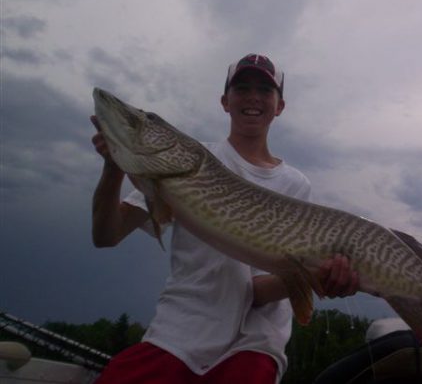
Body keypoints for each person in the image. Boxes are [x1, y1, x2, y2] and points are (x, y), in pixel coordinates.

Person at [90, 53, 360, 384]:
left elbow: (258, 291)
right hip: (178, 332)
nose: (253, 97)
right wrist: (113, 167)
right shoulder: (181, 163)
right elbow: (107, 235)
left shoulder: (294, 184)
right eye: (242, 88)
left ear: (279, 106)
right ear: (225, 101)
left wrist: (317, 278)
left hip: (253, 344)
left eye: (265, 90)